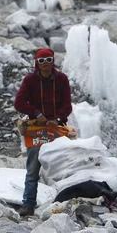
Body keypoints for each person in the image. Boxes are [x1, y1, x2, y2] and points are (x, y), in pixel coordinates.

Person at [14, 47, 73, 216]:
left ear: (53, 61)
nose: (46, 64)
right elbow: (19, 102)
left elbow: (67, 104)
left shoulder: (61, 79)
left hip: (57, 128)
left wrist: (58, 119)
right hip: (36, 129)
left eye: (49, 60)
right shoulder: (29, 80)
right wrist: (36, 113)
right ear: (36, 63)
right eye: (42, 61)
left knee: (61, 167)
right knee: (33, 167)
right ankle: (28, 204)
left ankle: (62, 203)